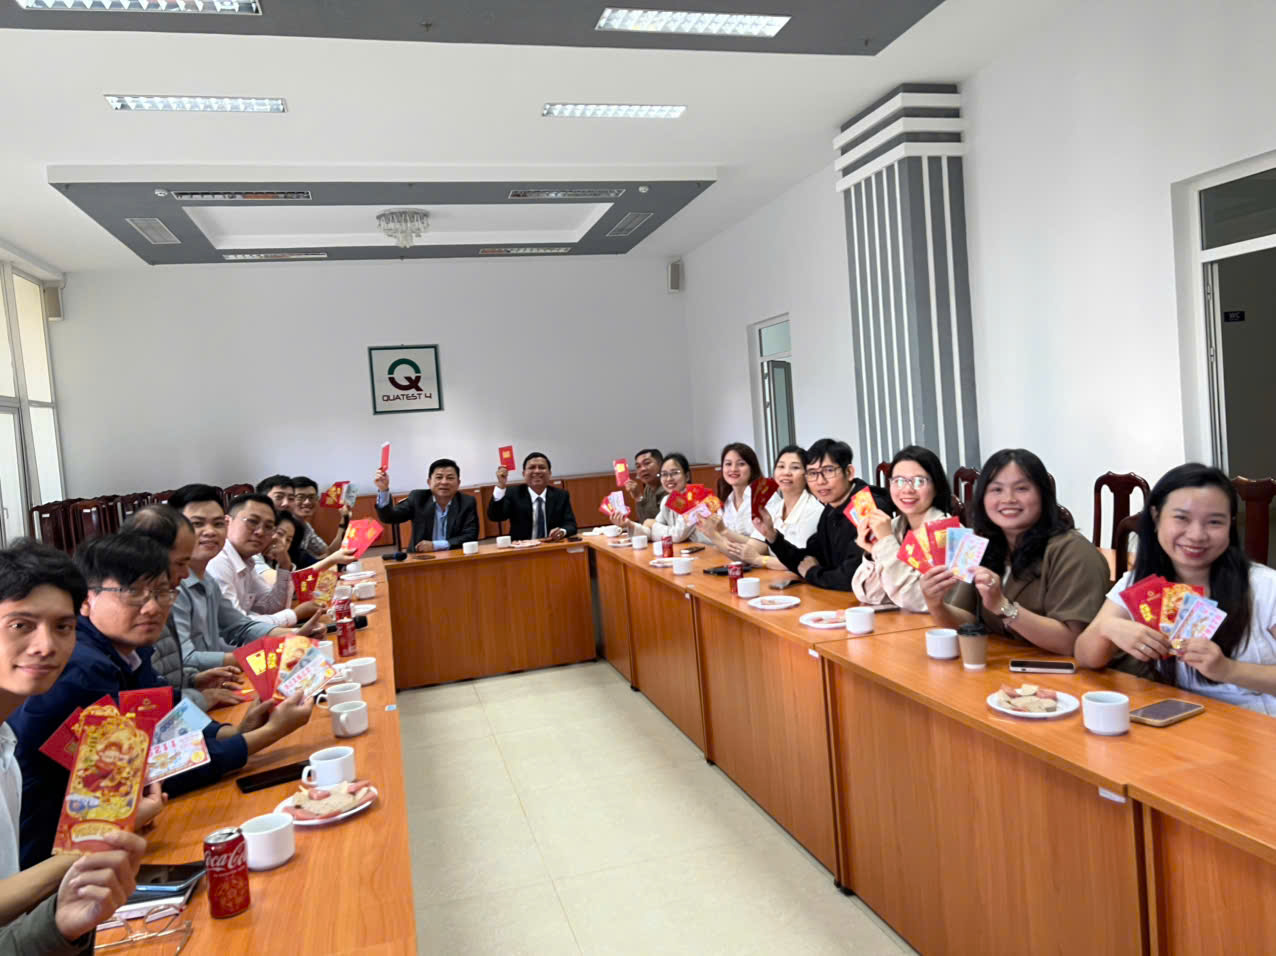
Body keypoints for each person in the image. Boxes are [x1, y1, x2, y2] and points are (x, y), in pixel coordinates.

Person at [10, 533, 315, 866]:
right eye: (132, 592)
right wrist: (267, 735)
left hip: (104, 839)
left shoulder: (128, 650)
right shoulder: (81, 669)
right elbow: (150, 772)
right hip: (52, 858)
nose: (153, 607)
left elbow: (168, 712)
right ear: (87, 600)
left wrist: (235, 731)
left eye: (162, 592)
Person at [0, 540, 148, 954]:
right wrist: (101, 841)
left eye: (63, 627)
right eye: (21, 625)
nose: (46, 645)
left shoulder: (6, 742)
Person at [1076, 464, 1276, 714]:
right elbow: (1085, 656)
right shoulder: (1141, 583)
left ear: (1230, 526)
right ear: (1156, 517)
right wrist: (1109, 628)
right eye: (1181, 518)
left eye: (1214, 522)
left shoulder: (1265, 586)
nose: (1196, 535)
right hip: (1187, 718)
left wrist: (1227, 669)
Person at [919, 448, 1109, 655]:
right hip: (1006, 663)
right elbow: (967, 622)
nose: (1008, 499)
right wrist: (936, 604)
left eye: (1021, 489)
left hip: (1063, 669)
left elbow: (1072, 643)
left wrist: (1004, 607)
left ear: (1043, 495)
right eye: (996, 489)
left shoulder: (1074, 552)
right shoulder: (978, 544)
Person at [163, 486, 325, 712]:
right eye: (197, 523)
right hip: (191, 698)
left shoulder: (207, 578)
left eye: (217, 524)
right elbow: (185, 659)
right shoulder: (169, 586)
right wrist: (264, 653)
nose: (210, 532)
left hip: (218, 685)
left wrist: (293, 636)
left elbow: (240, 626)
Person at [121, 506, 247, 710]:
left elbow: (160, 679)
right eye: (180, 563)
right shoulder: (134, 618)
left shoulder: (168, 595)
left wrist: (192, 680)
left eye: (218, 523)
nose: (186, 574)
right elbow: (142, 707)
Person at [753, 438, 890, 590]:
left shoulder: (866, 507)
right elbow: (808, 558)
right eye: (812, 473)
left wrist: (812, 573)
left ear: (849, 472)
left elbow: (854, 576)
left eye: (829, 471)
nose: (820, 481)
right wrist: (772, 536)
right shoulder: (830, 509)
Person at [852, 446, 954, 612]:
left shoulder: (949, 533)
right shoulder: (893, 526)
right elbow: (868, 595)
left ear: (937, 486)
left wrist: (886, 542)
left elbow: (919, 601)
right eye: (898, 481)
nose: (907, 489)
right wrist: (873, 553)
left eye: (919, 481)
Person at [698, 446, 822, 569]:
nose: (786, 472)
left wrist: (759, 559)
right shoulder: (775, 509)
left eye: (795, 467)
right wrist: (715, 534)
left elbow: (802, 562)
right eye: (781, 466)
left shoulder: (813, 510)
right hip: (772, 577)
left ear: (808, 474)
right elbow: (748, 552)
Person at [206, 494, 318, 627]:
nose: (260, 532)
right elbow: (237, 625)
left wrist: (284, 565)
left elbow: (271, 607)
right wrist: (295, 615)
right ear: (227, 523)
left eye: (268, 527)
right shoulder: (217, 561)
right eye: (252, 521)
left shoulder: (247, 561)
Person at [374, 458, 479, 552]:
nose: (444, 482)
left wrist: (435, 545)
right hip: (421, 558)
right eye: (439, 477)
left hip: (454, 556)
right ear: (429, 482)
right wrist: (383, 490)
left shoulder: (467, 502)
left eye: (450, 478)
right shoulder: (418, 498)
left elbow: (470, 536)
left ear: (458, 483)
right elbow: (389, 517)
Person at [613, 453, 709, 544]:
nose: (669, 479)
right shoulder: (667, 499)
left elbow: (677, 535)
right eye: (664, 474)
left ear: (687, 476)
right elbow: (650, 531)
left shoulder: (696, 497)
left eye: (675, 473)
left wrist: (652, 524)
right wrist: (629, 524)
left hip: (707, 551)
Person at [488, 452, 577, 541]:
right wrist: (501, 485)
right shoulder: (513, 493)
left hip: (551, 544)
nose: (537, 471)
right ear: (524, 474)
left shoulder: (561, 495)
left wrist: (562, 531)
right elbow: (496, 516)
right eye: (532, 467)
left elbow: (571, 525)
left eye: (541, 467)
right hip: (522, 546)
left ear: (549, 473)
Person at [290, 476, 351, 564]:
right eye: (300, 497)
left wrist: (344, 522)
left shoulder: (306, 526)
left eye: (312, 497)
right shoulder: (284, 527)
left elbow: (328, 552)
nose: (307, 502)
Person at [713, 443, 764, 537]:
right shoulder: (724, 500)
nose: (733, 469)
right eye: (728, 464)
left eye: (741, 464)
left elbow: (763, 542)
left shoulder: (765, 497)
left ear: (752, 468)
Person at [625, 448, 666, 524]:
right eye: (638, 466)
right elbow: (644, 521)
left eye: (647, 463)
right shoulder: (648, 487)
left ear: (661, 465)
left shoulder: (669, 487)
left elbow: (658, 523)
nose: (642, 469)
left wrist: (638, 497)